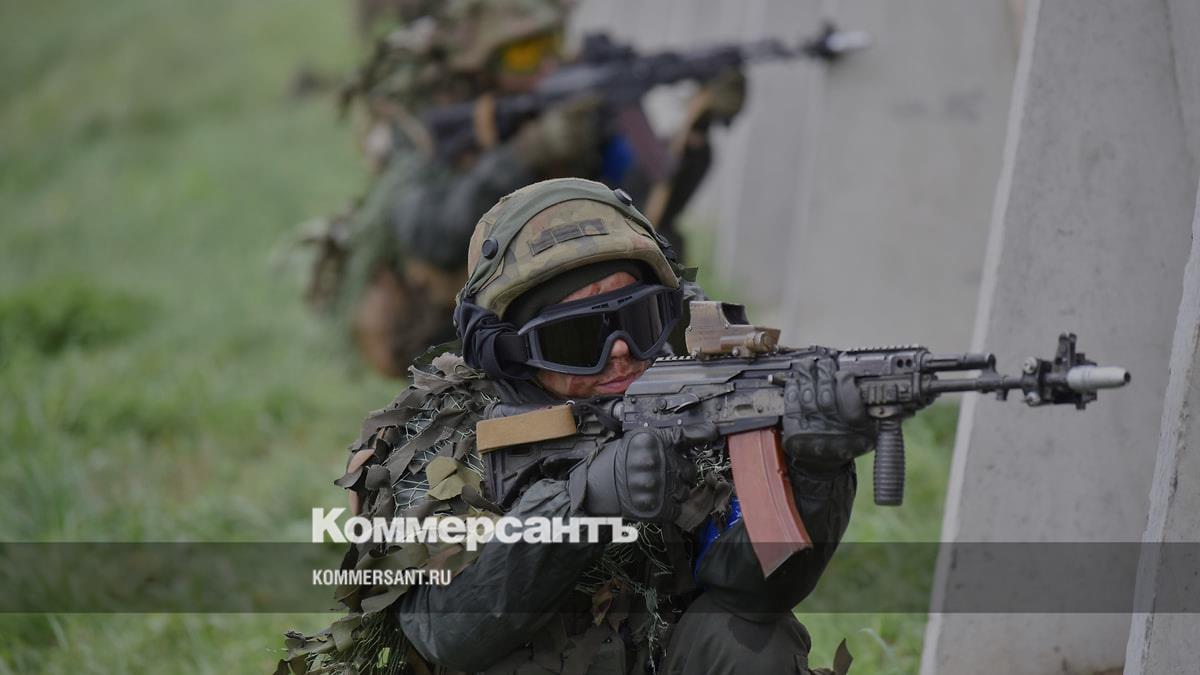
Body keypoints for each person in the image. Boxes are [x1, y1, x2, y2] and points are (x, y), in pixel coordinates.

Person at [280, 178, 865, 674]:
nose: (619, 353)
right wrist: (583, 502)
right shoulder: (441, 433)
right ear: (512, 350)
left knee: (747, 638)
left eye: (638, 321)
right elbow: (444, 633)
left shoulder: (688, 401)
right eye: (581, 338)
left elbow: (753, 593)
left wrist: (817, 477)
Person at [303, 0, 745, 377]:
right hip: (459, 324)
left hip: (570, 309)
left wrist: (695, 133)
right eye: (523, 55)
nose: (544, 66)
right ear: (483, 64)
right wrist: (526, 153)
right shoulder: (427, 125)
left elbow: (646, 208)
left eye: (549, 47)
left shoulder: (577, 103)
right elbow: (430, 232)